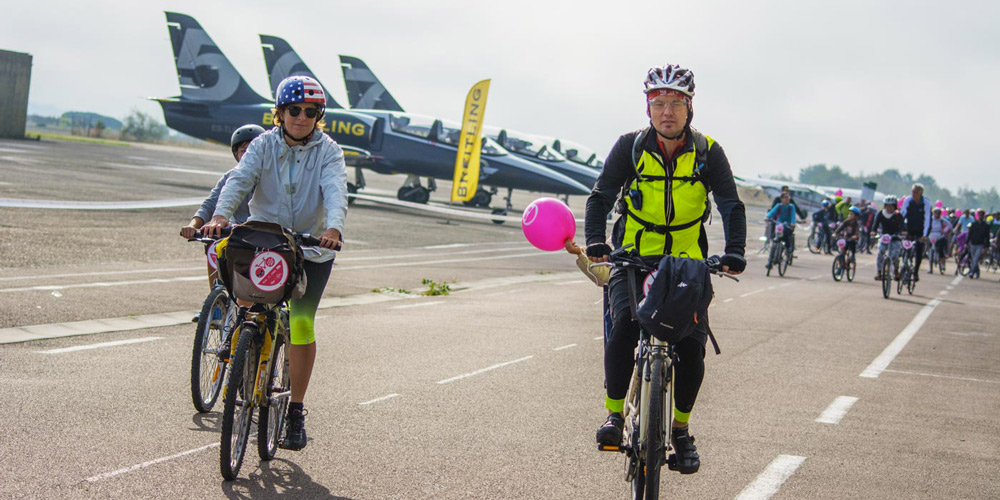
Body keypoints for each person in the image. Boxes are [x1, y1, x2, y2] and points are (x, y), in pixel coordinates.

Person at [584, 63, 747, 474]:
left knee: (691, 349)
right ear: (648, 108)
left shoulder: (709, 152)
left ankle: (680, 429)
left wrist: (735, 250)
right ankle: (615, 416)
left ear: (690, 108)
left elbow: (730, 204)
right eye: (659, 103)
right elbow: (600, 197)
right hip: (633, 259)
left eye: (676, 103)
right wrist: (596, 243)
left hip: (686, 267)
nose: (667, 111)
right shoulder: (630, 148)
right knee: (624, 325)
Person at [203, 75, 348, 451]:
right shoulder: (263, 146)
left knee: (300, 321)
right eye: (294, 110)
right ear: (280, 113)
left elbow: (335, 189)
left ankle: (296, 411)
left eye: (310, 112)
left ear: (319, 116)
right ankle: (241, 364)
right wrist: (219, 216)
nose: (302, 118)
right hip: (265, 241)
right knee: (248, 307)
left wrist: (333, 227)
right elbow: (240, 179)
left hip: (312, 247)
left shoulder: (329, 151)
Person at [180, 124, 265, 293]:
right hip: (234, 232)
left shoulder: (272, 178)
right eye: (243, 150)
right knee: (213, 245)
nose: (248, 155)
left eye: (253, 150)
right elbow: (210, 204)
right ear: (236, 154)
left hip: (263, 235)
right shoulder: (230, 177)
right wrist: (192, 226)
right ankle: (216, 300)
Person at [900, 183, 932, 281]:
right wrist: (902, 229)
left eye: (915, 193)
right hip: (909, 229)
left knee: (918, 250)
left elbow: (927, 220)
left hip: (920, 230)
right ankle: (904, 265)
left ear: (920, 193)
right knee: (906, 248)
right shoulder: (908, 201)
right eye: (912, 192)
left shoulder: (926, 203)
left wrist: (925, 235)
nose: (913, 194)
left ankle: (915, 272)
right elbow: (902, 215)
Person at [871, 195, 905, 280]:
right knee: (880, 252)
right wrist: (873, 231)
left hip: (895, 237)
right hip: (884, 237)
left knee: (895, 256)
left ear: (895, 206)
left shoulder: (898, 215)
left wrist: (902, 231)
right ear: (885, 206)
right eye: (887, 205)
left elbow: (902, 226)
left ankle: (896, 271)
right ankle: (879, 272)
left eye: (891, 206)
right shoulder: (881, 214)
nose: (889, 208)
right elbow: (875, 224)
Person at [766, 191, 799, 265]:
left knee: (787, 236)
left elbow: (793, 216)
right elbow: (772, 212)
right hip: (779, 224)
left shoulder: (791, 207)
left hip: (788, 225)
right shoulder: (779, 206)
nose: (787, 199)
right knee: (775, 242)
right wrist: (767, 217)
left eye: (788, 198)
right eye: (785, 198)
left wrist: (793, 223)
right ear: (781, 199)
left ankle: (788, 248)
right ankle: (770, 261)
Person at [927, 207, 953, 272]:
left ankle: (943, 264)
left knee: (940, 250)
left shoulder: (941, 220)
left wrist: (944, 230)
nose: (937, 214)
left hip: (939, 236)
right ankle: (930, 267)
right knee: (930, 250)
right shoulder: (930, 219)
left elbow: (949, 225)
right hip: (931, 235)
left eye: (938, 213)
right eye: (936, 213)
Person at [967, 209, 990, 279]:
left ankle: (972, 272)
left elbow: (987, 236)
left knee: (976, 259)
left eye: (982, 215)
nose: (980, 216)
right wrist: (967, 242)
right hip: (973, 243)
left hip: (980, 244)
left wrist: (986, 246)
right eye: (979, 215)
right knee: (973, 259)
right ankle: (977, 271)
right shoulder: (974, 224)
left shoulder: (986, 226)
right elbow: (970, 234)